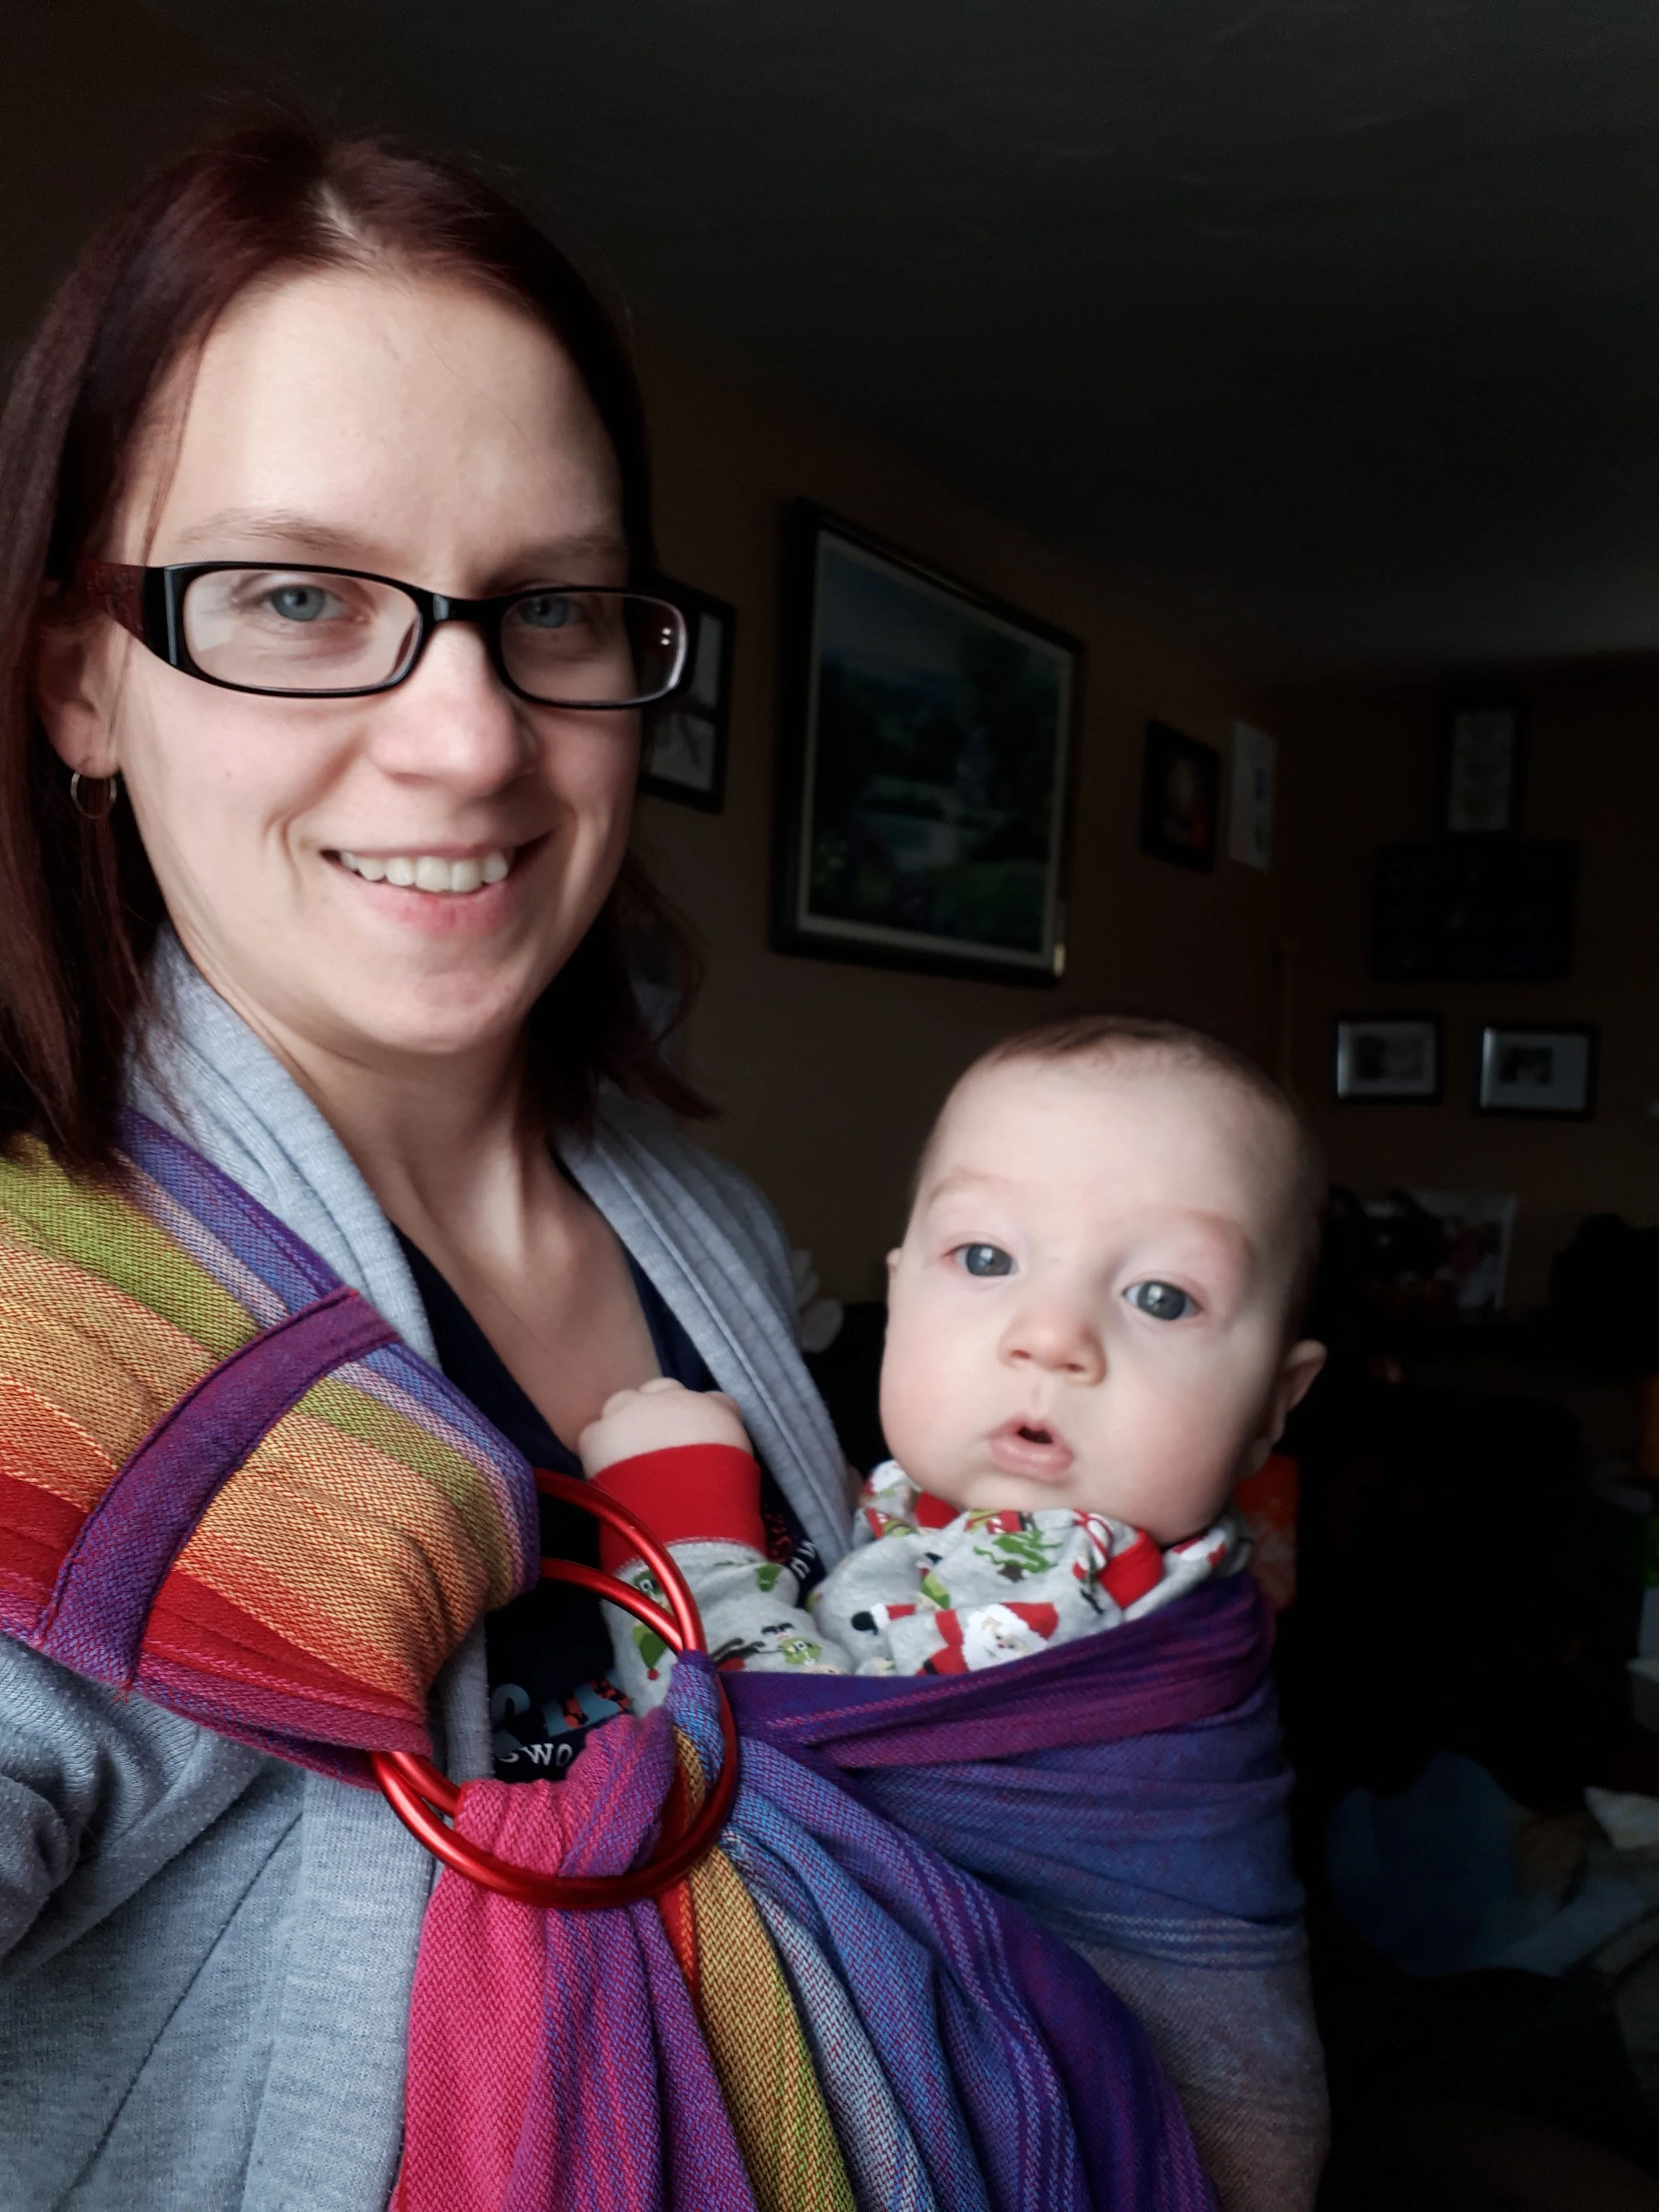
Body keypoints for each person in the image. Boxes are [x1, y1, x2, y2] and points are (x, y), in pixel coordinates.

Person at [0, 121, 849, 2211]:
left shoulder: (715, 1236)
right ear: (81, 683)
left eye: (548, 604)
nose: (471, 736)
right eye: (296, 595)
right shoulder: (50, 1329)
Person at [578, 1015, 1333, 2211]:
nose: (1051, 1338)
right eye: (986, 1262)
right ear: (899, 1286)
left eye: (1160, 1295)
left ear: (1273, 1403)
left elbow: (758, 1745)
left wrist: (685, 1526)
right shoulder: (1108, 1551)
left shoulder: (1058, 1566)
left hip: (1113, 2107)